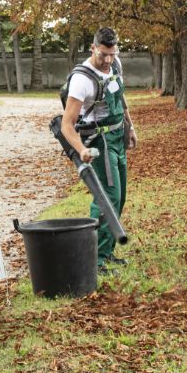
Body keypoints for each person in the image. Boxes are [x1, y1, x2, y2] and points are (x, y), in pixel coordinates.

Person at [57, 27, 137, 272]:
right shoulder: (82, 79)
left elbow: (120, 97)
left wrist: (130, 127)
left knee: (119, 197)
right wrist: (81, 149)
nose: (108, 60)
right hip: (98, 142)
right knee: (107, 198)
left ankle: (106, 251)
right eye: (103, 54)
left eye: (113, 53)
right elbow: (66, 124)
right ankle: (96, 260)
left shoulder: (115, 65)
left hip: (117, 136)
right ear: (93, 48)